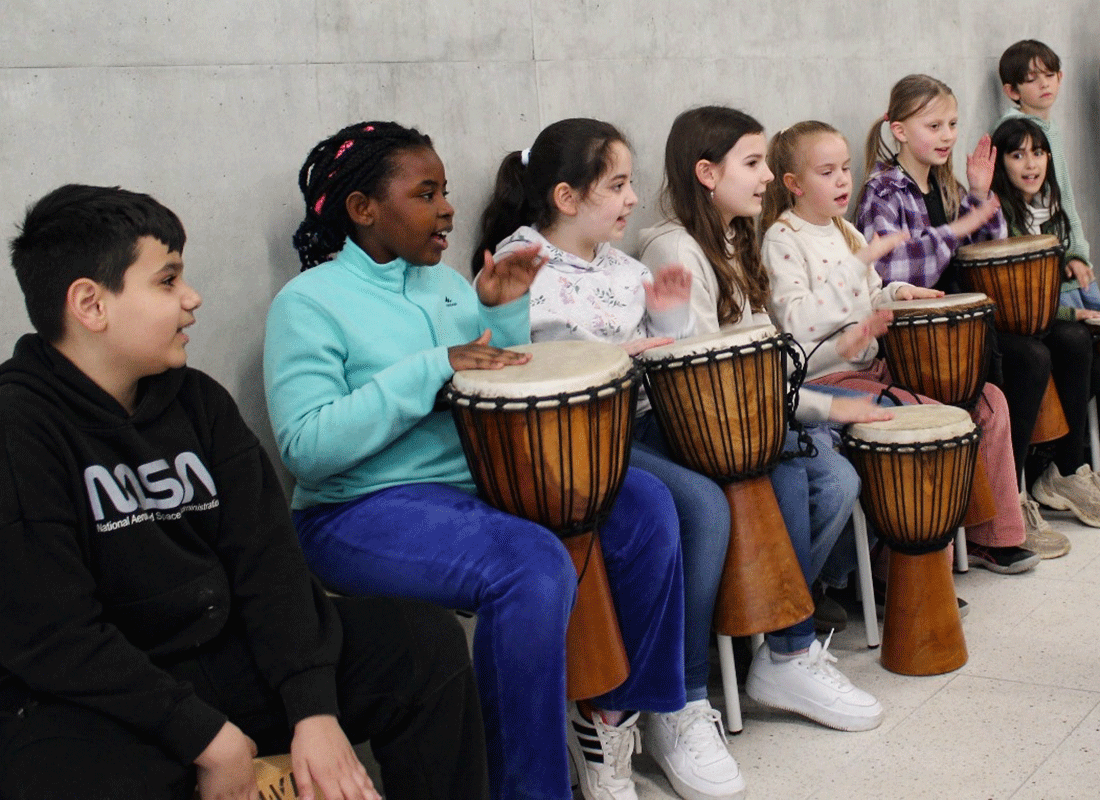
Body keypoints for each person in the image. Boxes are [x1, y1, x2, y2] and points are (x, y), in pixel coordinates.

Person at [0, 184, 488, 800]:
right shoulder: (19, 425)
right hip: (106, 693)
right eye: (167, 281)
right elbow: (53, 637)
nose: (192, 298)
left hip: (225, 655)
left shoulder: (198, 402)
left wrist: (314, 708)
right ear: (91, 305)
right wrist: (208, 738)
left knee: (420, 642)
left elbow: (269, 563)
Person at [263, 121, 687, 800]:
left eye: (446, 191)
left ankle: (620, 715)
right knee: (529, 565)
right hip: (356, 510)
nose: (447, 209)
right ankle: (529, 789)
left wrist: (505, 312)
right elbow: (308, 448)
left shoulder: (450, 288)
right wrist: (431, 367)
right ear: (363, 209)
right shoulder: (308, 304)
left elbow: (498, 382)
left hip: (474, 487)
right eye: (425, 193)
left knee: (643, 505)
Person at [472, 117, 745, 800]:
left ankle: (675, 700)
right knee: (687, 506)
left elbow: (661, 353)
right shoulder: (520, 262)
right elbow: (516, 364)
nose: (631, 199)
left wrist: (672, 315)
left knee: (714, 500)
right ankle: (632, 707)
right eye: (617, 185)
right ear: (566, 197)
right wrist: (618, 355)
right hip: (553, 450)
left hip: (624, 431)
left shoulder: (624, 268)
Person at [637, 105, 887, 735]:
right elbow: (702, 387)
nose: (767, 178)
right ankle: (780, 648)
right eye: (752, 164)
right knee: (801, 480)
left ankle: (772, 637)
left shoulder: (734, 235)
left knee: (834, 481)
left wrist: (828, 401)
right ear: (705, 172)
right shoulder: (674, 247)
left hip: (743, 417)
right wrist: (826, 406)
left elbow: (762, 369)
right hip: (691, 424)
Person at [855, 74, 1050, 567]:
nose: (947, 135)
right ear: (898, 129)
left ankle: (997, 529)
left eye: (953, 124)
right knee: (1013, 364)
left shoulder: (943, 182)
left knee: (1009, 380)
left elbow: (986, 250)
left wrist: (979, 197)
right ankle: (980, 524)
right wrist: (956, 227)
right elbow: (894, 269)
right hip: (907, 345)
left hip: (950, 336)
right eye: (934, 125)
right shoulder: (884, 189)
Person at [989, 117, 1100, 528]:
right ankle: (1017, 489)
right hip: (1009, 322)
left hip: (1041, 317)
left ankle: (1067, 471)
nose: (1030, 164)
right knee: (1056, 343)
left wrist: (1075, 263)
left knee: (1076, 341)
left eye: (1037, 153)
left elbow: (1053, 283)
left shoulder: (1050, 206)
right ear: (1001, 163)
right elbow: (1015, 295)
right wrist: (1074, 311)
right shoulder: (999, 212)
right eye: (1018, 155)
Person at [995, 39, 1097, 313]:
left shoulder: (1048, 128)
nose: (1044, 85)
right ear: (1012, 90)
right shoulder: (1016, 131)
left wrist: (1078, 253)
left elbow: (1065, 199)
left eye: (1050, 76)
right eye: (1032, 79)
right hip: (1046, 274)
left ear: (1060, 78)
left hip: (1067, 259)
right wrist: (1071, 255)